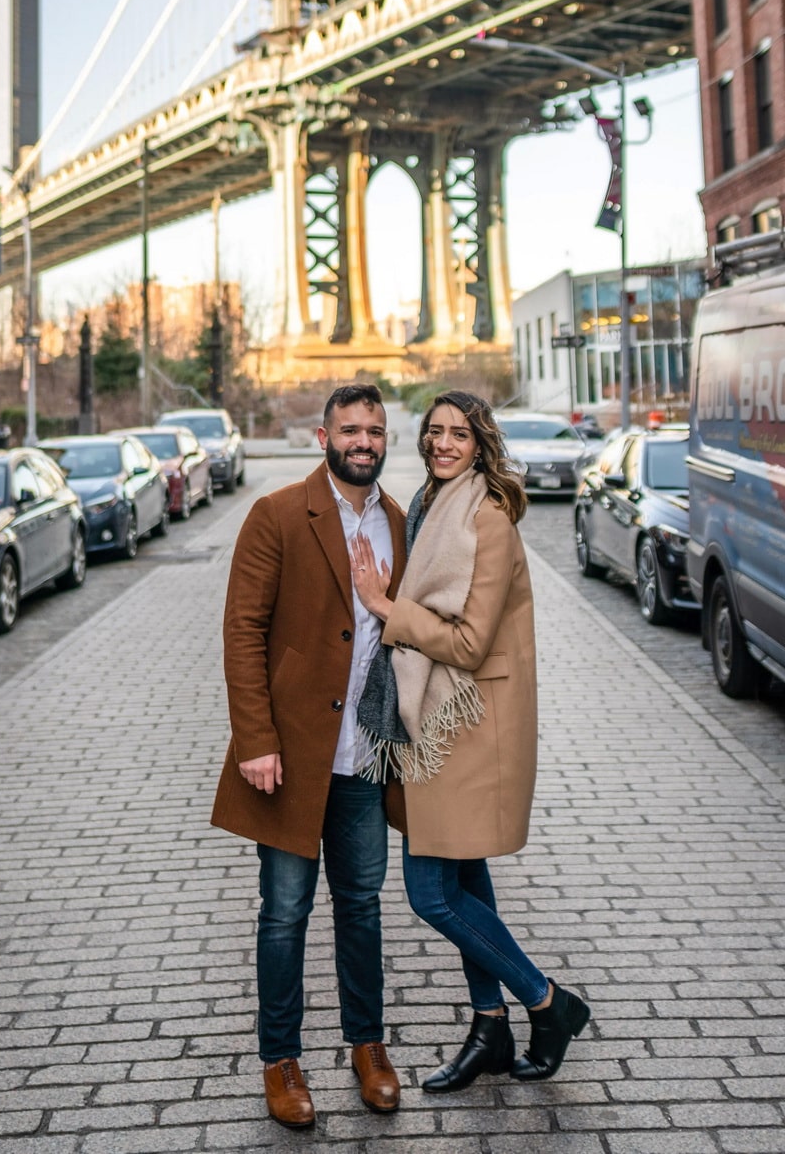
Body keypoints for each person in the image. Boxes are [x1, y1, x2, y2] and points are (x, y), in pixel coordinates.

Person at [350, 389, 591, 1092]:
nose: (444, 443)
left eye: (459, 433)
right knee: (463, 879)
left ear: (481, 443)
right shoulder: (431, 505)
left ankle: (548, 1000)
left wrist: (386, 607)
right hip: (447, 726)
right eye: (434, 432)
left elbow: (468, 638)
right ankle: (489, 1026)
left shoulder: (486, 519)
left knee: (430, 892)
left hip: (469, 725)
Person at [211, 382, 406, 1131]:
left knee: (362, 907)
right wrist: (255, 738)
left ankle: (368, 1046)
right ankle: (281, 1058)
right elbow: (242, 631)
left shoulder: (395, 520)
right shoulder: (278, 513)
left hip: (363, 755)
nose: (363, 440)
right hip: (290, 755)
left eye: (375, 429)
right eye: (350, 429)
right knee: (284, 912)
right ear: (322, 437)